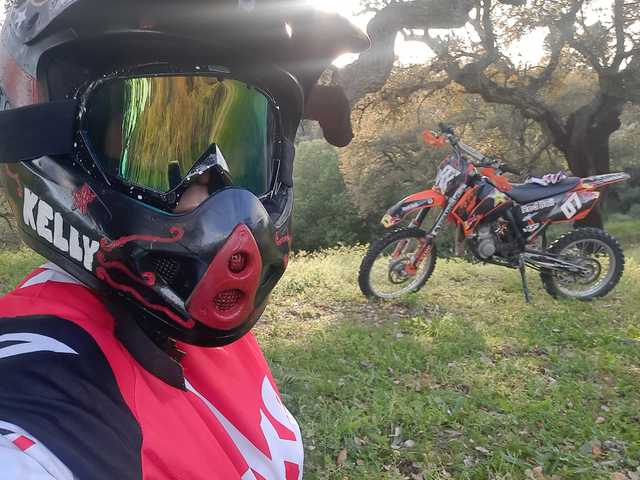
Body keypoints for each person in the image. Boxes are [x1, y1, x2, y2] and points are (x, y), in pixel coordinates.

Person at [0, 1, 369, 478]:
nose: (217, 200)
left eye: (242, 151)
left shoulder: (187, 322)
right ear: (59, 153)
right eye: (158, 151)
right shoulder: (40, 390)